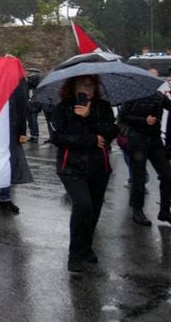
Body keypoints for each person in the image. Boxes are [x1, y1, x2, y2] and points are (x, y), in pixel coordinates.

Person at [51, 74, 118, 273]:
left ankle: (86, 247)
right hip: (71, 167)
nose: (86, 89)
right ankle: (75, 254)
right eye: (81, 85)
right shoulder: (63, 108)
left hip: (99, 167)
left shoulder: (103, 107)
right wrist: (89, 140)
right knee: (83, 205)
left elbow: (111, 131)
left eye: (90, 85)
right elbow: (58, 138)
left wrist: (89, 118)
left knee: (94, 209)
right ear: (72, 87)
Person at [118, 68, 171, 226]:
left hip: (154, 141)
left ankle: (165, 211)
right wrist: (143, 120)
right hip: (137, 140)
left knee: (167, 175)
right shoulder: (132, 95)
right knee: (139, 177)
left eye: (156, 77)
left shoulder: (159, 96)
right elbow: (122, 117)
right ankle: (137, 210)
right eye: (150, 77)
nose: (153, 80)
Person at [0, 73, 33, 215]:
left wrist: (22, 131)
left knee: (8, 166)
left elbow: (22, 108)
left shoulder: (17, 84)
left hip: (11, 131)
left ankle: (5, 198)